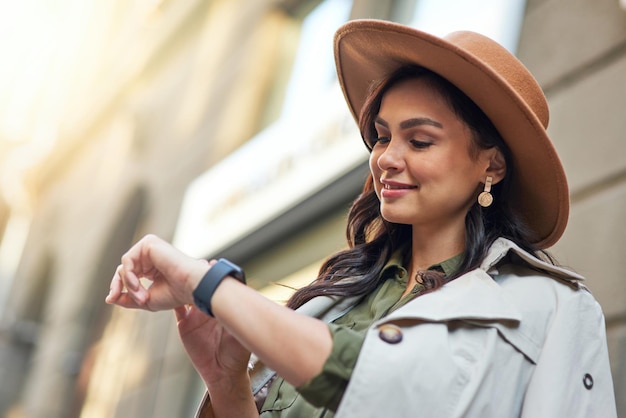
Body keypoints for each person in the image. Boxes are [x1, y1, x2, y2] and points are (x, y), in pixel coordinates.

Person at [106, 19, 617, 418]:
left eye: (418, 140)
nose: (387, 157)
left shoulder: (552, 309)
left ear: (492, 164)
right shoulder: (337, 295)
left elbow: (376, 380)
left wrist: (211, 284)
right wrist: (227, 383)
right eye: (381, 135)